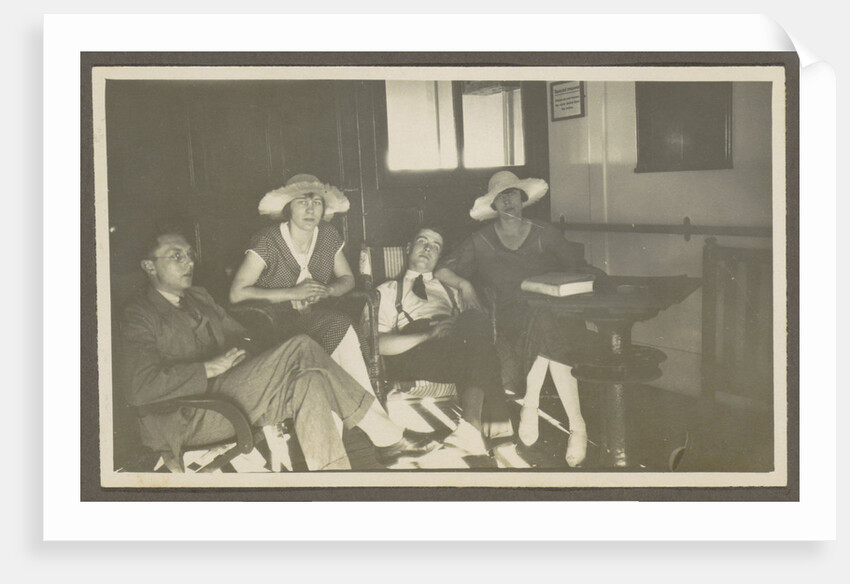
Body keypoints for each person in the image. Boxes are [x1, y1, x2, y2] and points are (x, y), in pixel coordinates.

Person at [120, 230, 438, 471]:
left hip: (227, 394)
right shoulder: (139, 315)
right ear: (149, 266)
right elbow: (139, 388)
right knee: (301, 347)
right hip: (186, 415)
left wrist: (255, 358)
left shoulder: (199, 298)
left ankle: (332, 482)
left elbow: (241, 335)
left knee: (309, 381)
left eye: (189, 254)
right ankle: (387, 437)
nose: (188, 262)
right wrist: (208, 368)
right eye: (176, 256)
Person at [435, 170, 603, 467]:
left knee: (549, 322)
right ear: (494, 206)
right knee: (548, 328)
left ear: (523, 199)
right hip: (510, 317)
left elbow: (576, 266)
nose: (508, 201)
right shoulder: (481, 240)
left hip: (553, 310)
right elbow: (442, 270)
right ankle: (576, 424)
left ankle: (535, 408)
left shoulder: (544, 232)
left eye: (513, 194)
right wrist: (465, 283)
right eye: (501, 197)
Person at [229, 174, 375, 398]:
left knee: (341, 328)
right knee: (339, 326)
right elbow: (237, 294)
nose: (311, 210)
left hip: (317, 320)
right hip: (274, 327)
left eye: (317, 203)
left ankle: (355, 407)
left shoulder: (327, 235)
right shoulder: (268, 240)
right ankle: (368, 410)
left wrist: (328, 291)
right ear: (288, 208)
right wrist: (292, 293)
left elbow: (348, 278)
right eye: (303, 202)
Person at [371, 226, 511, 456]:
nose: (428, 248)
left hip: (454, 350)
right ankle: (494, 434)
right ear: (408, 248)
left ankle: (472, 429)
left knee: (475, 322)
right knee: (480, 349)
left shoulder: (450, 288)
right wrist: (428, 335)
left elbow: (480, 329)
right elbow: (378, 346)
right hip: (414, 351)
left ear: (439, 256)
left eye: (435, 247)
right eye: (422, 241)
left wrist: (465, 292)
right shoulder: (385, 291)